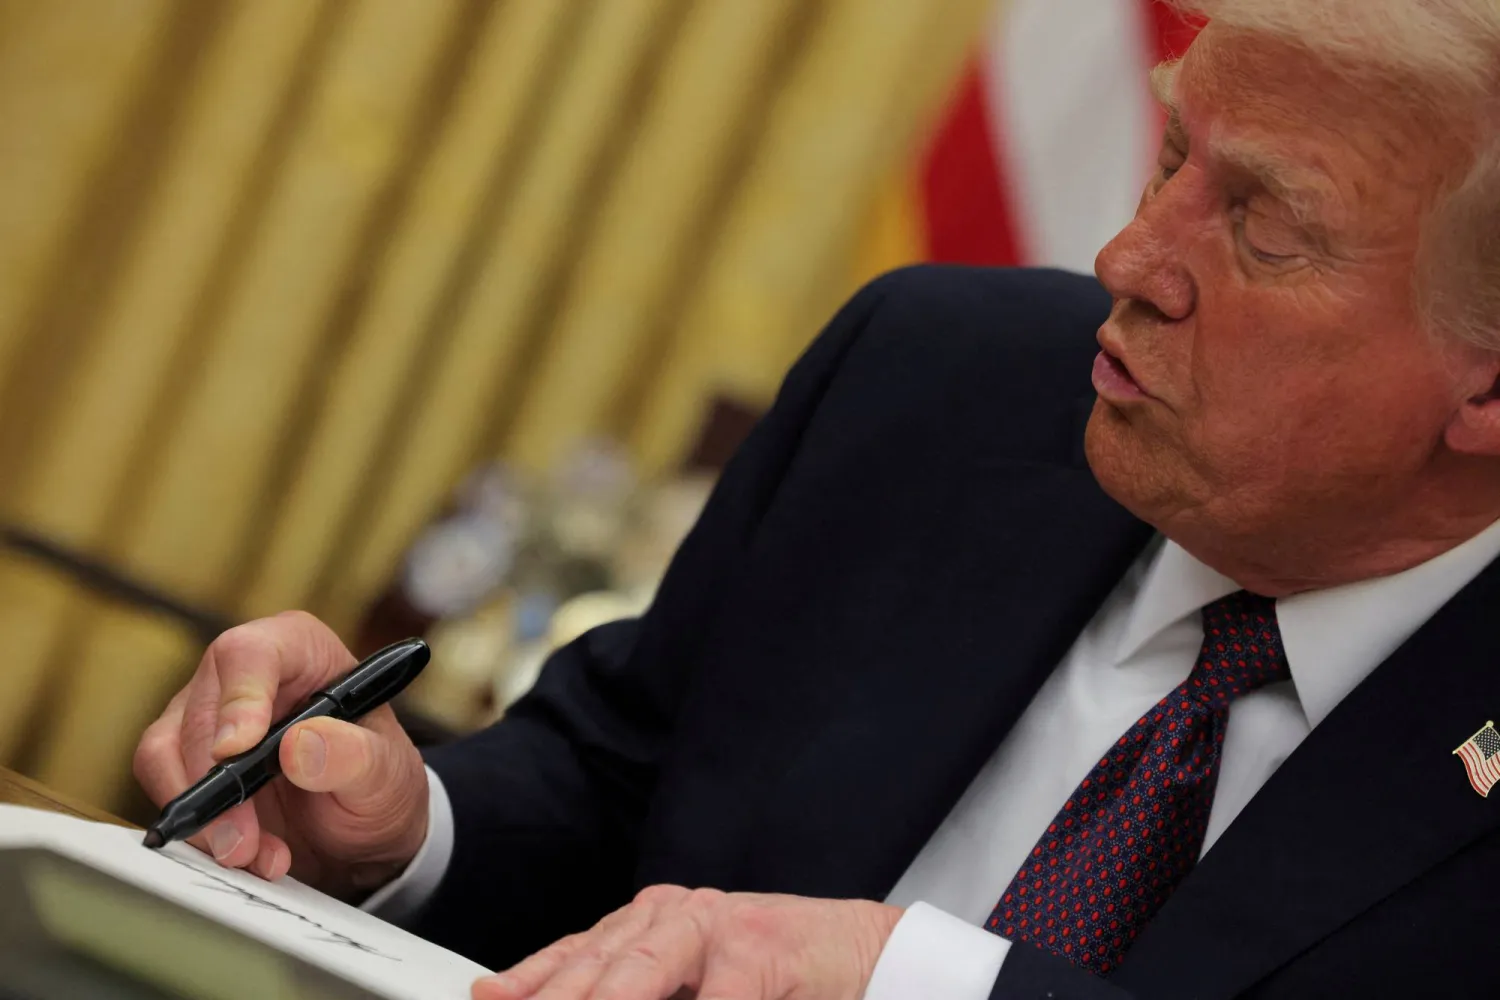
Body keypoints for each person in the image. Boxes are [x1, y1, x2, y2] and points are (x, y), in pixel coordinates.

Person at [134, 2, 1500, 997]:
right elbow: (621, 782)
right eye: (1168, 154)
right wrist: (403, 824)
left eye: (1261, 224)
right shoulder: (943, 387)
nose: (1128, 255)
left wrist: (905, 976)